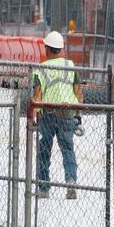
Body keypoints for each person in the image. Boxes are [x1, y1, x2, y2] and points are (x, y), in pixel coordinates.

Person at [33, 30, 83, 199]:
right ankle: (71, 182)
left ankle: (43, 187)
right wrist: (78, 116)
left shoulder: (41, 68)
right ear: (61, 48)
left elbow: (37, 95)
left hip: (48, 111)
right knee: (68, 149)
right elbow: (78, 92)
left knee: (44, 149)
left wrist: (34, 115)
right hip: (68, 111)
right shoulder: (70, 65)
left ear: (47, 48)